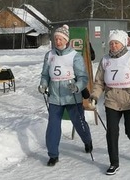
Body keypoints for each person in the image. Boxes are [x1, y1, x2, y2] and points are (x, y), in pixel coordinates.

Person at [89, 30, 130, 175]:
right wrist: (94, 97)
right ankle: (114, 163)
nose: (113, 46)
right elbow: (99, 82)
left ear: (122, 43)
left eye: (116, 43)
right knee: (112, 133)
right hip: (112, 101)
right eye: (111, 43)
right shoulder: (105, 60)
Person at [38, 24, 93, 166]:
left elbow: (83, 77)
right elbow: (45, 74)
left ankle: (87, 141)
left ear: (66, 40)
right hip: (55, 96)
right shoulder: (49, 55)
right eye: (56, 39)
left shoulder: (75, 56)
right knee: (53, 126)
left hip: (71, 96)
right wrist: (43, 84)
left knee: (79, 123)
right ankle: (53, 155)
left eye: (60, 39)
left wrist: (77, 87)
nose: (58, 42)